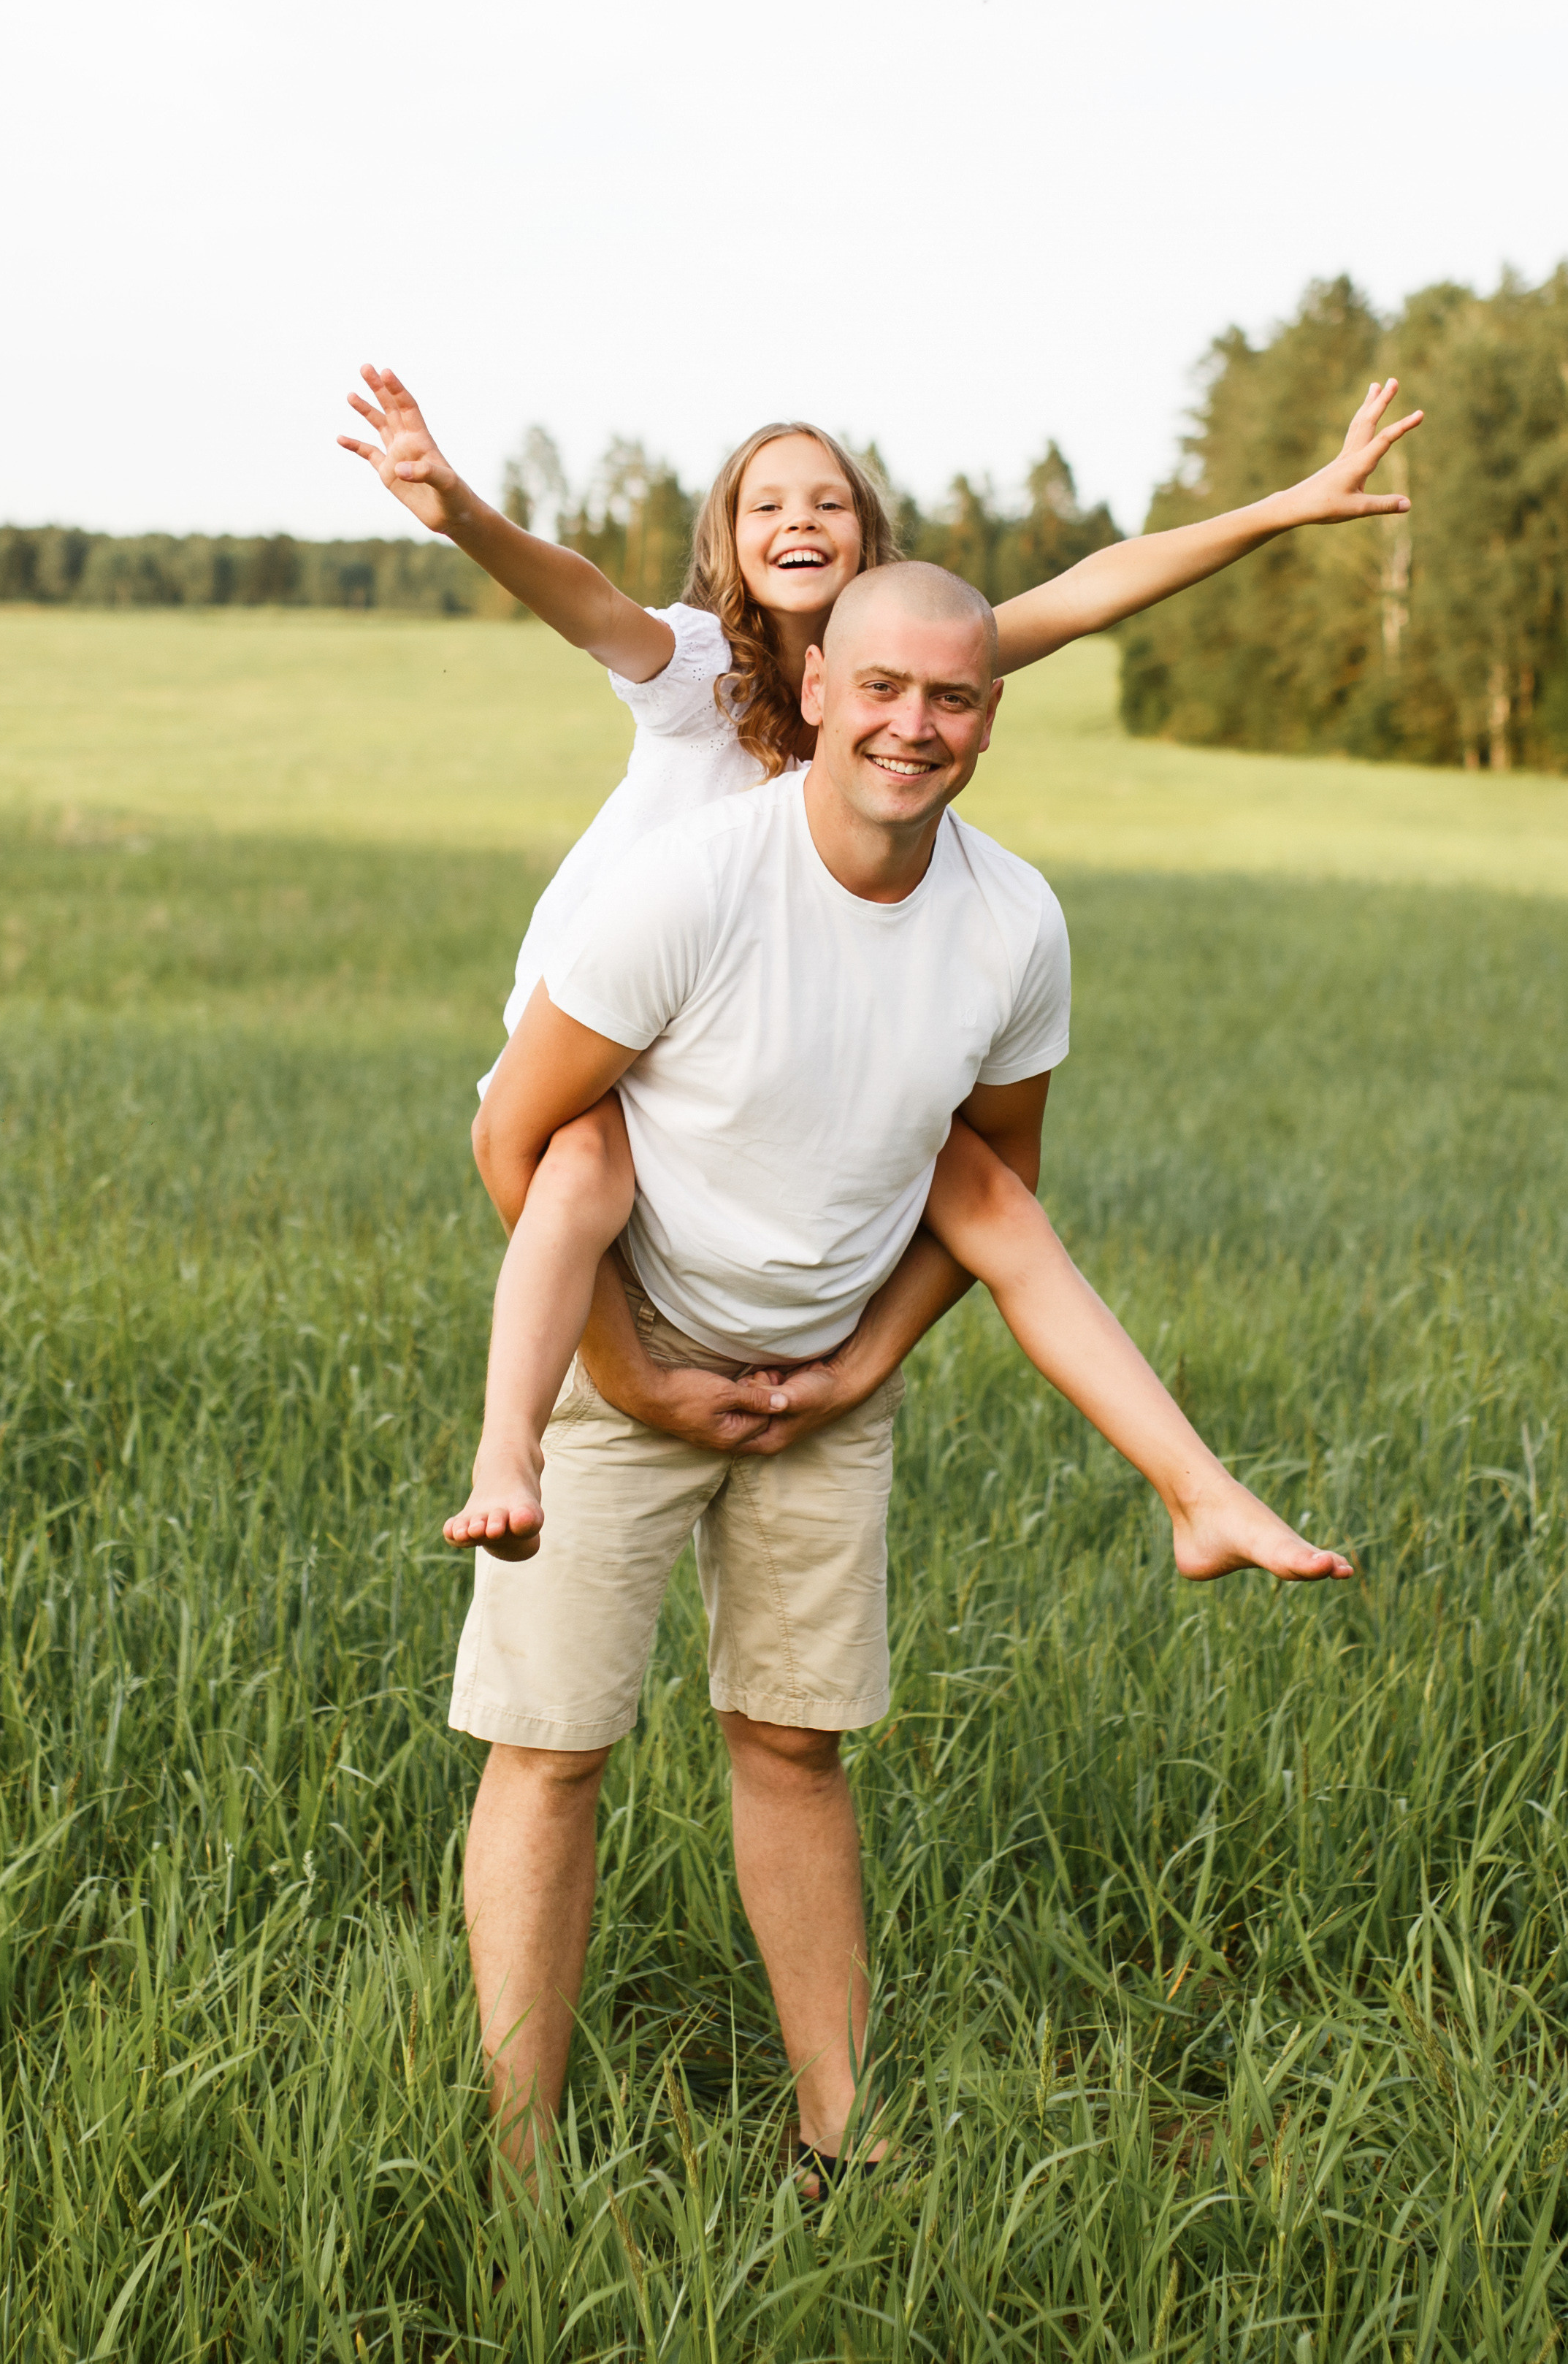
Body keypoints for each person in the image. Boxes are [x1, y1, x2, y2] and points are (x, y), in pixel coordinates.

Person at [451, 560, 1353, 2182]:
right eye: (880, 688)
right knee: (555, 1745)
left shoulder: (1013, 922)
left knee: (798, 1745)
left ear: (992, 720)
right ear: (813, 692)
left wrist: (863, 1361)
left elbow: (990, 1191)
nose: (912, 724)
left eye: (952, 697)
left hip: (820, 1397)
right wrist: (631, 1371)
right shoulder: (694, 887)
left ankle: (841, 2144)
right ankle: (517, 2168)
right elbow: (516, 1136)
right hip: (620, 1358)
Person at [339, 370, 1422, 1559]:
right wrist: (462, 517)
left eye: (826, 504)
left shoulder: (912, 662)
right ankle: (511, 1443)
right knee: (583, 1166)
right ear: (726, 544)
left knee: (982, 1186)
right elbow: (587, 598)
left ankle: (1196, 1491)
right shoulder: (694, 663)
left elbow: (1094, 586)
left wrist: (1282, 506)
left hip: (775, 1029)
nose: (798, 522)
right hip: (611, 1030)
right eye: (766, 507)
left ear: (867, 537)